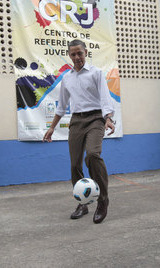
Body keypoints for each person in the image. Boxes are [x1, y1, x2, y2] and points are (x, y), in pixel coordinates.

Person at [43, 39, 115, 224]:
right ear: (69, 55)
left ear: (86, 52)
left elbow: (105, 98)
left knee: (92, 155)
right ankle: (82, 203)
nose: (77, 57)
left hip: (95, 119)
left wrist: (108, 118)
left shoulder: (96, 73)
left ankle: (103, 200)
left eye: (79, 53)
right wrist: (52, 127)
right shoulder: (67, 77)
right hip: (76, 121)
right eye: (73, 54)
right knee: (75, 164)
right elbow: (62, 106)